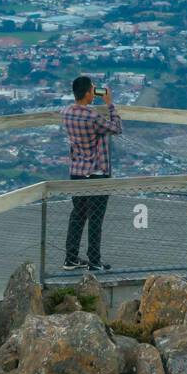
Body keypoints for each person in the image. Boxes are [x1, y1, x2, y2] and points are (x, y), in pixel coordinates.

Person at [61, 76, 122, 271]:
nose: (95, 92)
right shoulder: (93, 117)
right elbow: (116, 128)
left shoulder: (66, 113)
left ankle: (70, 258)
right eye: (93, 89)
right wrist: (110, 105)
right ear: (88, 93)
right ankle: (94, 261)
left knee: (78, 214)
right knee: (96, 218)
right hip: (96, 173)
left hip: (77, 171)